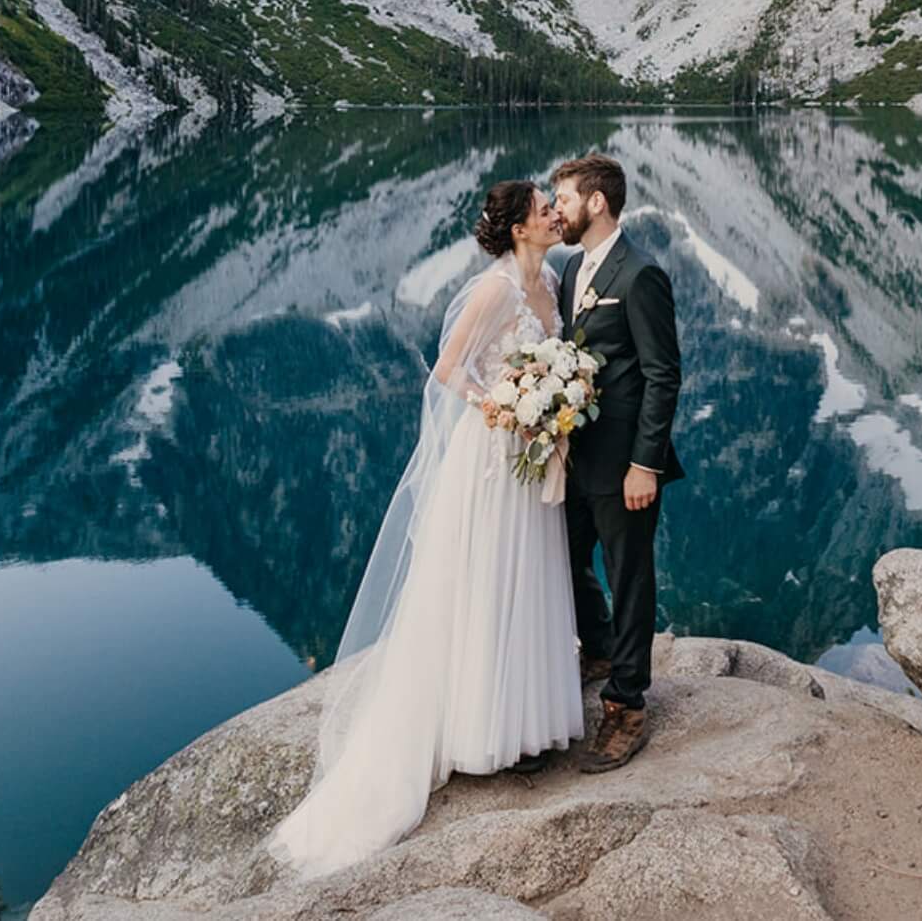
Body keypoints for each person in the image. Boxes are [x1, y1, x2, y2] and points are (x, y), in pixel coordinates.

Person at [266, 180, 582, 878]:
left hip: (531, 454)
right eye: (544, 211)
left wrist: (553, 400)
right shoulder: (494, 290)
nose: (556, 216)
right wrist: (506, 407)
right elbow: (447, 371)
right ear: (519, 230)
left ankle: (524, 724)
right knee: (485, 581)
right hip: (493, 455)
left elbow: (549, 359)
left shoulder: (551, 283)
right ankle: (477, 730)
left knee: (527, 580)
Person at [551, 152, 684, 773]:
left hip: (625, 464)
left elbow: (662, 375)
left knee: (629, 575)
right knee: (566, 560)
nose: (558, 211)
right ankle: (600, 649)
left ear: (596, 202)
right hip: (575, 458)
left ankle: (627, 703)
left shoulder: (641, 274)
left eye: (565, 200)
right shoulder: (574, 266)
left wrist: (645, 465)